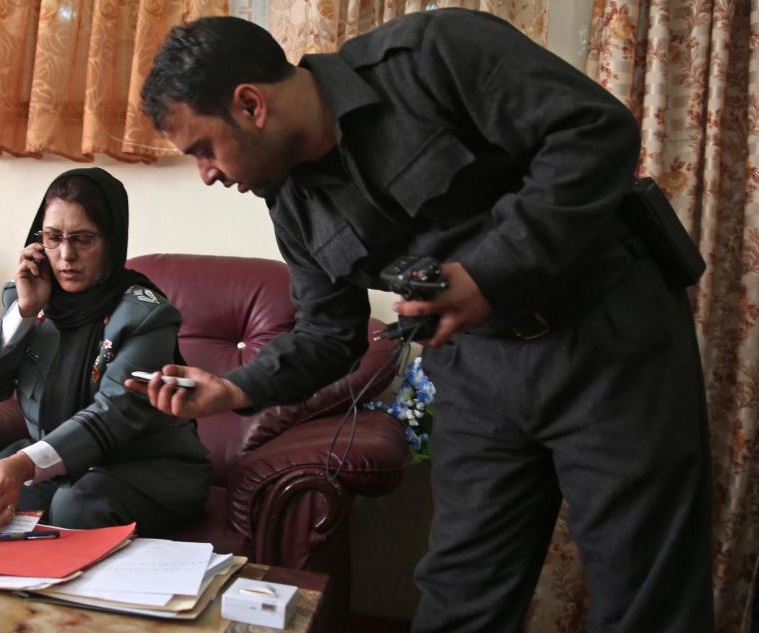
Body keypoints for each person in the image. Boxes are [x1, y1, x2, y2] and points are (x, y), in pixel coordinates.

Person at [131, 9, 714, 633]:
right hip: (475, 375)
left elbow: (594, 133)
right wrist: (236, 388)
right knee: (459, 598)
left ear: (251, 105)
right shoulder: (292, 202)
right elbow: (329, 333)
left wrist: (490, 272)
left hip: (606, 344)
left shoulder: (433, 54)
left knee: (646, 597)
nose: (208, 175)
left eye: (203, 150)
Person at [0, 167, 211, 535]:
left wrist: (25, 464)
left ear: (110, 241)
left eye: (83, 239)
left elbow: (114, 413)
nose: (65, 255)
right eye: (53, 238)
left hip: (146, 469)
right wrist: (24, 312)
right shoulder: (31, 298)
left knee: (76, 502)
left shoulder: (146, 316)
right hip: (63, 466)